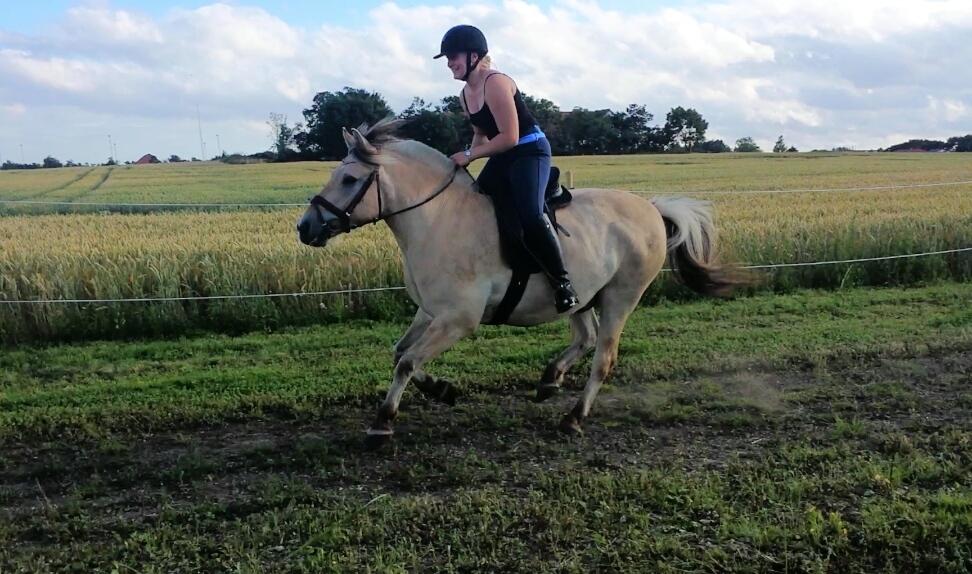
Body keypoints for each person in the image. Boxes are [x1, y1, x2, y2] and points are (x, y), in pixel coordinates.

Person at [435, 24, 579, 313]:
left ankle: (563, 283)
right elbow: (481, 134)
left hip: (529, 150)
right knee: (476, 200)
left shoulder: (496, 83)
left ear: (474, 56)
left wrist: (470, 154)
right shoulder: (465, 94)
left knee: (530, 214)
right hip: (504, 155)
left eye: (453, 56)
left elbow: (510, 137)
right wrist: (467, 158)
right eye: (447, 58)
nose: (449, 63)